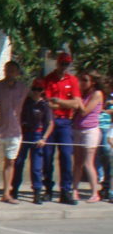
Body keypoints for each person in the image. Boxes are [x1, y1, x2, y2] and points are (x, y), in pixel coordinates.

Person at [0, 61, 29, 203]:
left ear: (17, 72)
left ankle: (6, 193)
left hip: (15, 131)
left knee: (10, 162)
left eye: (13, 70)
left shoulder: (23, 88)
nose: (10, 72)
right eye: (7, 69)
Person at [43, 52, 80, 204]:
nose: (64, 66)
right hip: (51, 121)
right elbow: (48, 103)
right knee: (47, 157)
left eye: (67, 64)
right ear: (57, 63)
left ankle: (66, 191)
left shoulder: (72, 80)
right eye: (62, 63)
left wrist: (59, 101)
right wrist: (66, 102)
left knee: (66, 156)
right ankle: (48, 190)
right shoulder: (49, 80)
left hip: (65, 122)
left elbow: (76, 103)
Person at [63, 69, 106, 202]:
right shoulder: (83, 94)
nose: (82, 83)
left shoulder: (97, 94)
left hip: (90, 130)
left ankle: (94, 193)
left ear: (92, 82)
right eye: (81, 80)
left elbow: (84, 111)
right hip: (77, 129)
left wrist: (77, 99)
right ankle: (74, 190)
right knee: (78, 162)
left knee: (88, 162)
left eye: (85, 80)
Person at [12, 79, 54, 204]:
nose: (36, 92)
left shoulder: (45, 105)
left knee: (36, 166)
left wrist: (44, 138)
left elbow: (50, 123)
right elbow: (19, 116)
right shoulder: (26, 103)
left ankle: (37, 191)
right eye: (34, 89)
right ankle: (14, 189)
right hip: (25, 134)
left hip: (37, 135)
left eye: (39, 90)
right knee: (19, 162)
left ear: (42, 91)